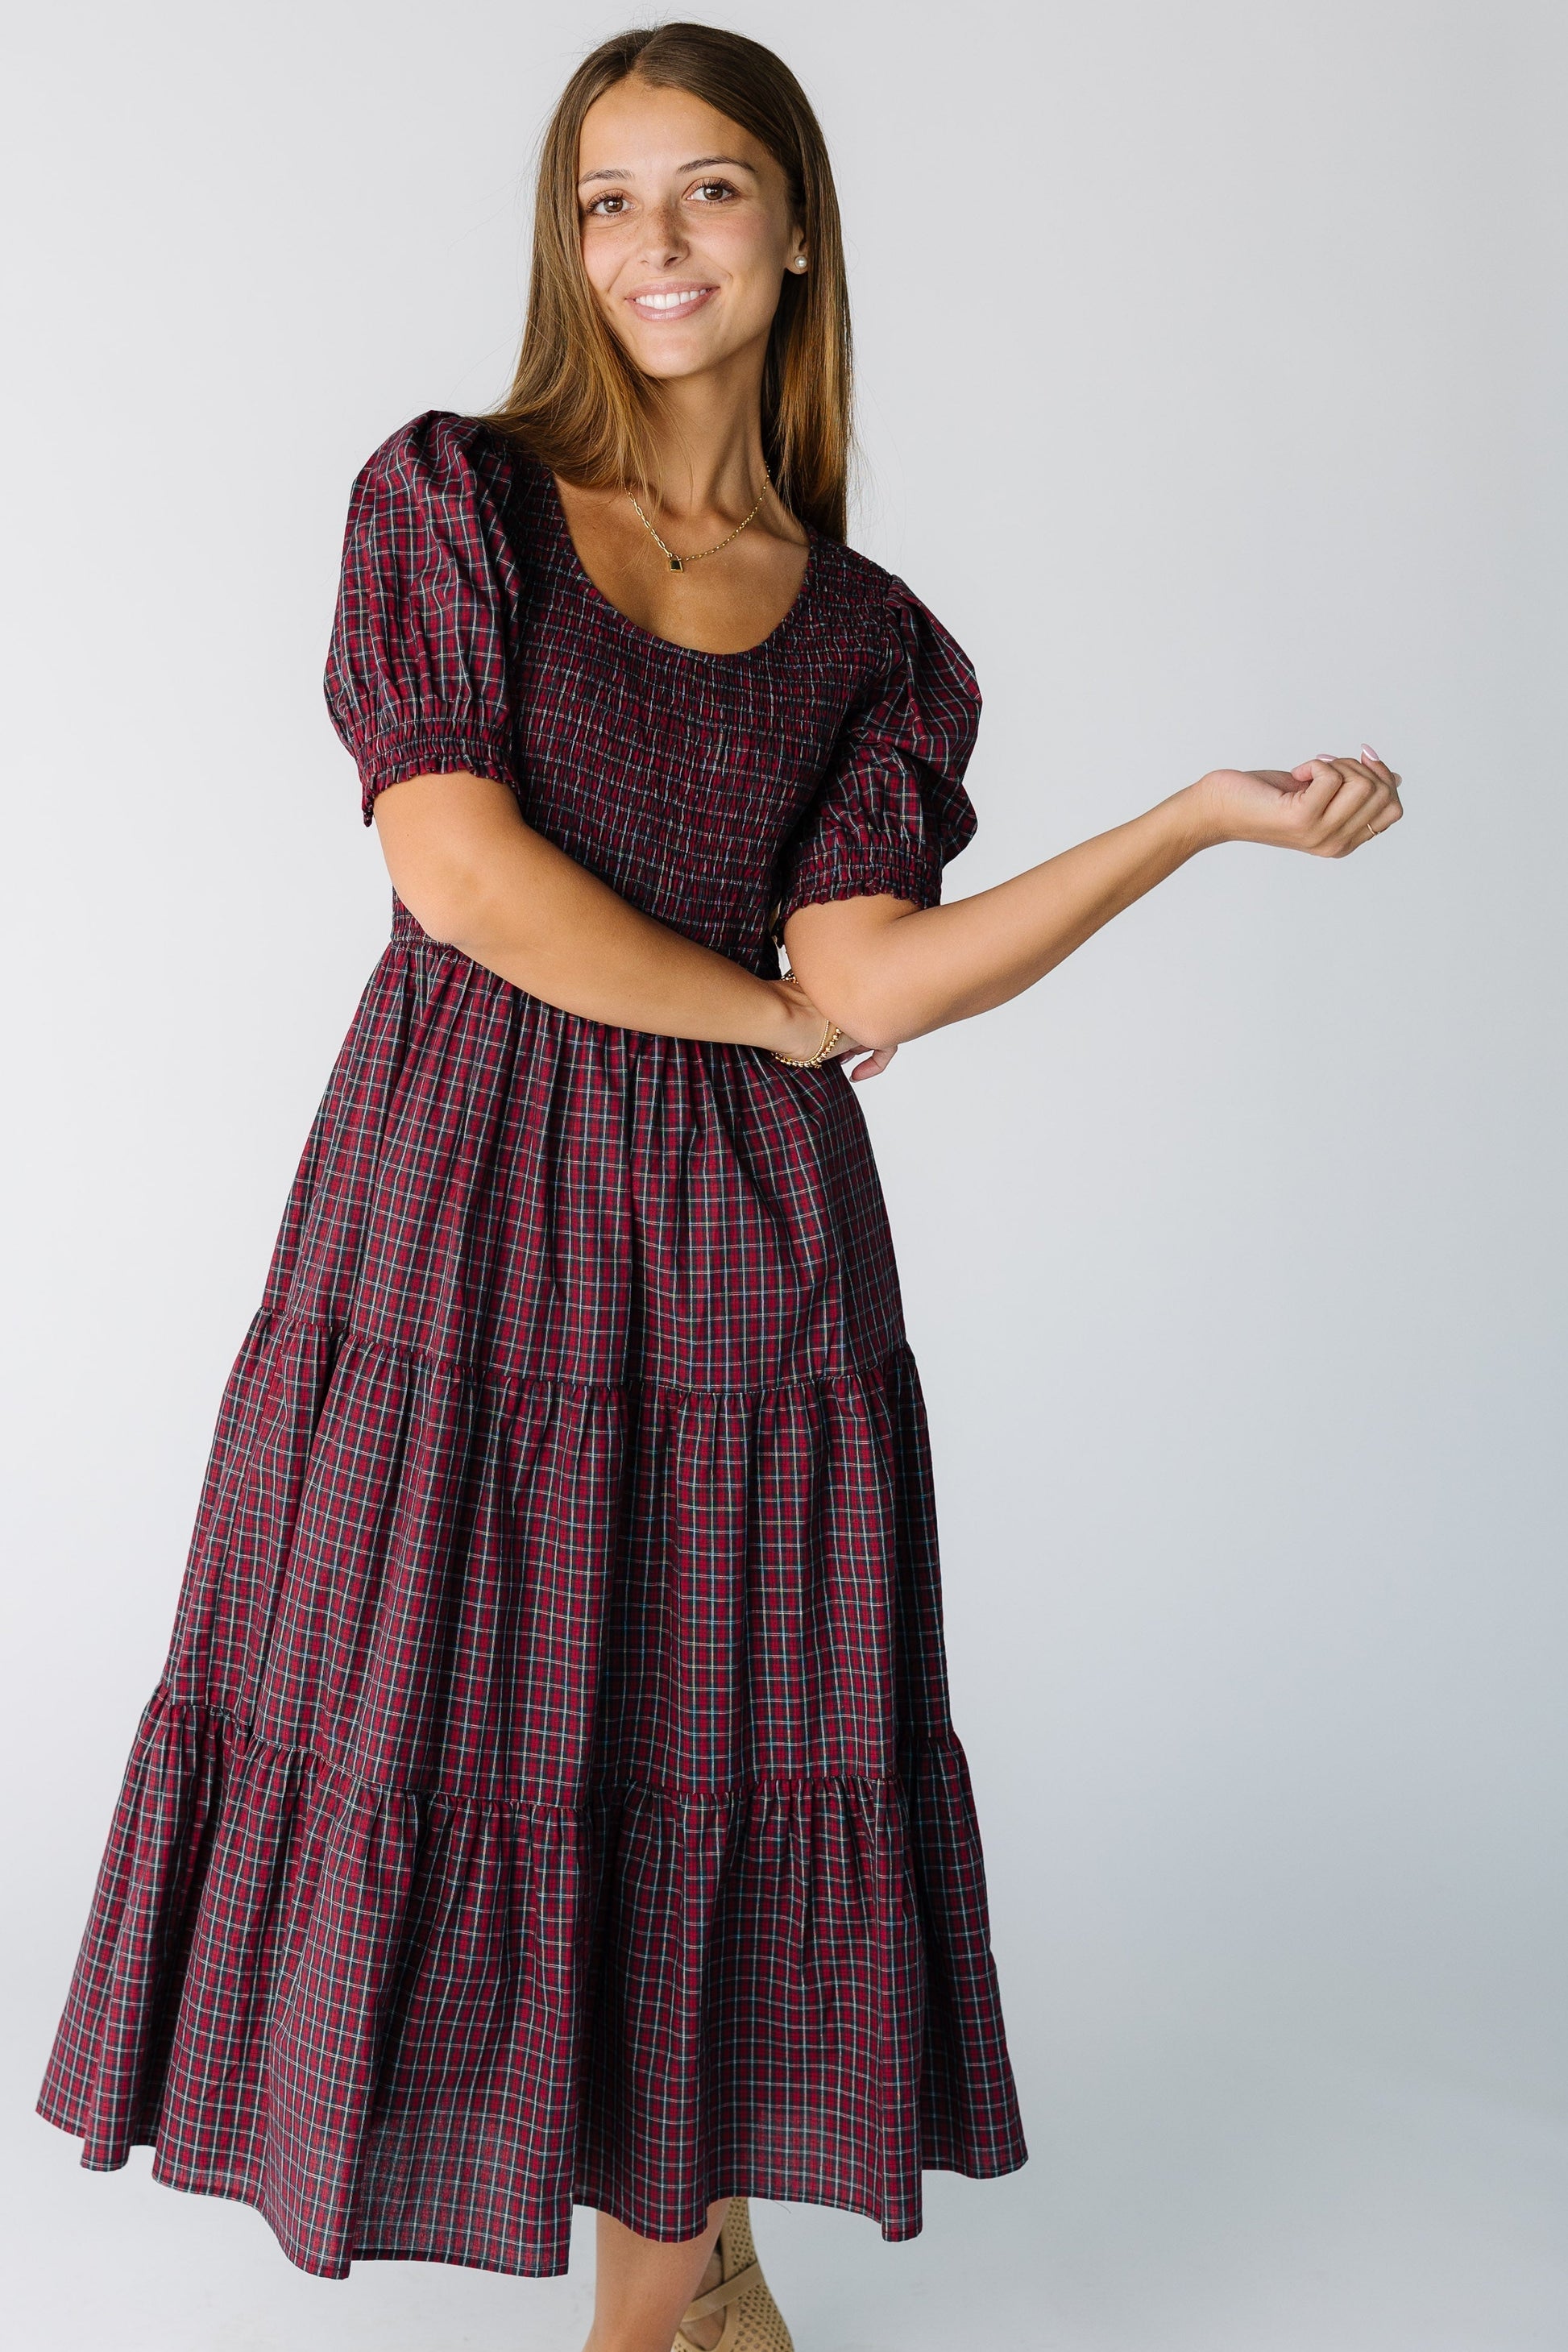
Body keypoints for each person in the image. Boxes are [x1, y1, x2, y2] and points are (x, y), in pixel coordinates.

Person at [35, 22, 1402, 2352]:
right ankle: (719, 2283)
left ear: (791, 227)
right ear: (565, 244)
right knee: (457, 1731)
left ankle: (661, 2312)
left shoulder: (871, 636)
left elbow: (878, 961)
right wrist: (770, 1019)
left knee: (720, 1749)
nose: (652, 243)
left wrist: (1181, 823)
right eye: (605, 200)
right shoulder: (449, 493)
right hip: (456, 1199)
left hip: (749, 1254)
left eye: (702, 192)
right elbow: (460, 878)